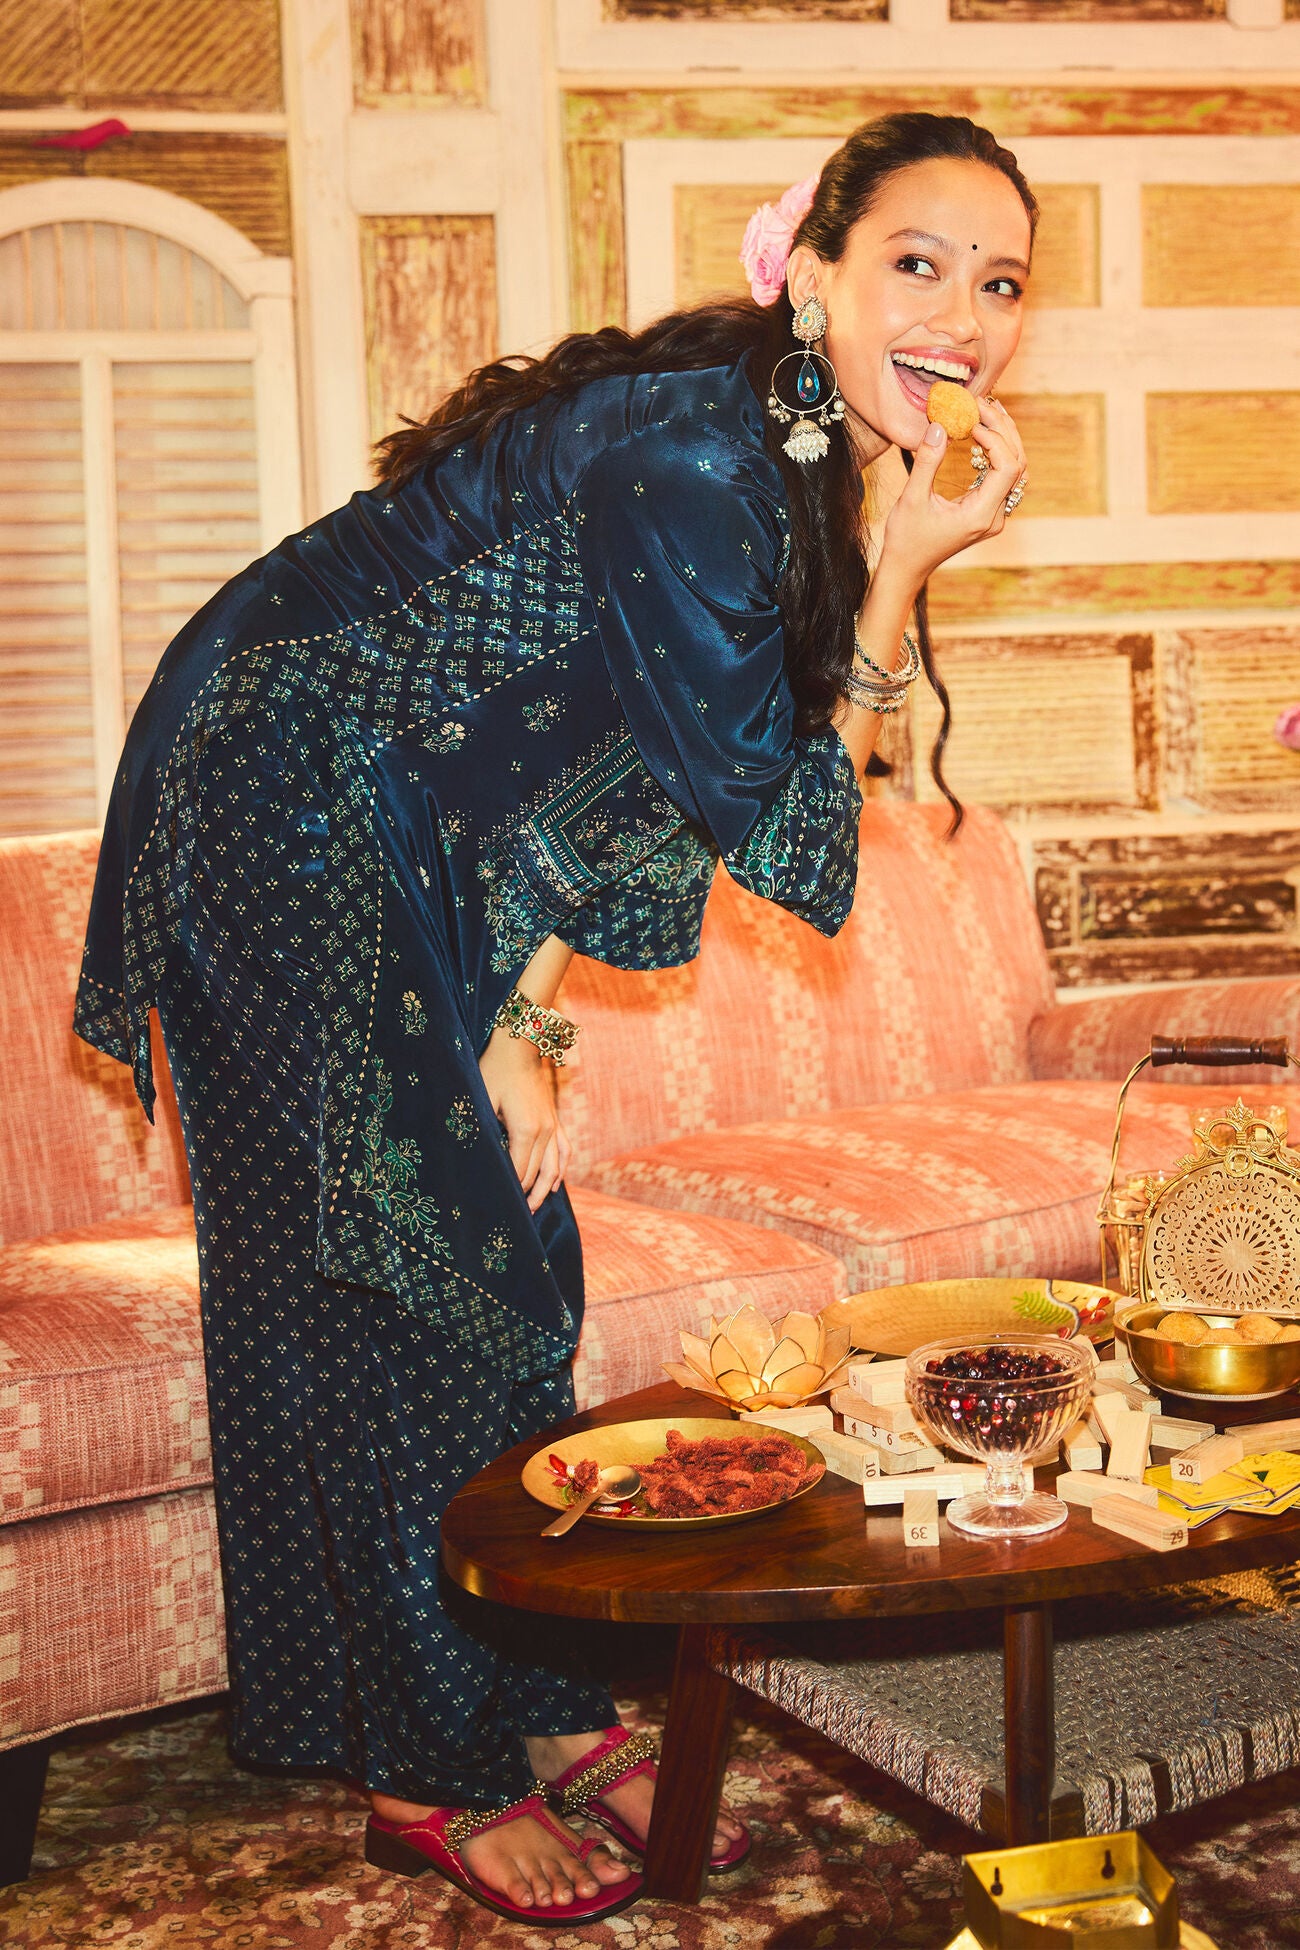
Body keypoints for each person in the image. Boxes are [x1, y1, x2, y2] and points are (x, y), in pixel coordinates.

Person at [75, 110, 1034, 1924]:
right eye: (918, 263)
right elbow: (770, 813)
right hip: (278, 794)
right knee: (400, 1273)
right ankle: (417, 1773)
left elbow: (605, 775)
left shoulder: (784, 453)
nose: (965, 317)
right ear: (813, 271)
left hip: (409, 818)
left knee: (521, 1253)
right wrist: (907, 569)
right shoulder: (703, 457)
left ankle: (502, 1697)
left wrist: (530, 1023)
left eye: (999, 286)